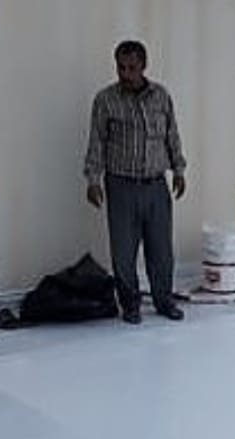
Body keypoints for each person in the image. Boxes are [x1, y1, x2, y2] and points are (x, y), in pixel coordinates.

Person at [84, 40, 187, 325]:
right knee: (123, 252)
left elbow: (172, 135)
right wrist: (93, 180)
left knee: (161, 251)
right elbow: (96, 141)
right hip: (121, 187)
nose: (126, 74)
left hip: (156, 186)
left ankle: (164, 301)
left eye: (132, 68)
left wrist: (179, 170)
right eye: (121, 67)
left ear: (144, 66)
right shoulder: (106, 100)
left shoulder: (161, 97)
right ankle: (130, 304)